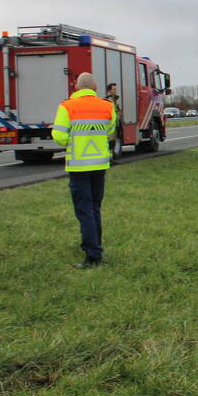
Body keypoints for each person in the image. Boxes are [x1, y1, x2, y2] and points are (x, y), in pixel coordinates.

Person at [53, 73, 117, 268]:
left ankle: (93, 254)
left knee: (84, 209)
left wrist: (73, 140)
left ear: (76, 87)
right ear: (95, 88)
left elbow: (59, 136)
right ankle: (96, 247)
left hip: (79, 165)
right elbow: (110, 131)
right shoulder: (107, 106)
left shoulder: (67, 106)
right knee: (95, 208)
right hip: (99, 165)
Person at [105, 82, 123, 158]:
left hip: (115, 124)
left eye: (116, 89)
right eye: (114, 89)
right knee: (110, 142)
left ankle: (111, 157)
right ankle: (109, 158)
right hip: (110, 125)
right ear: (109, 90)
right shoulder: (108, 100)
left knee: (113, 142)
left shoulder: (114, 100)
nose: (116, 91)